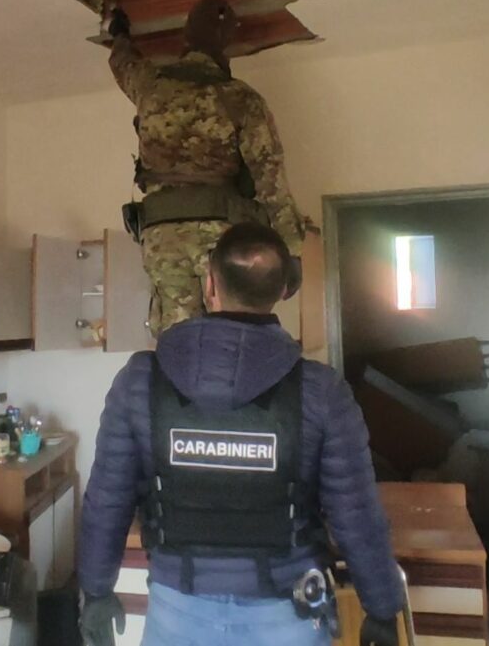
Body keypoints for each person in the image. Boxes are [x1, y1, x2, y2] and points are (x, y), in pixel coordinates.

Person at [77, 222, 404, 646]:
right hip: (288, 617)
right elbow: (355, 514)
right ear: (284, 290)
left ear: (210, 285)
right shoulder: (322, 391)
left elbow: (107, 499)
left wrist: (95, 591)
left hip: (177, 614)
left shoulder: (140, 380)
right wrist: (382, 607)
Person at [105, 0, 305, 336]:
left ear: (186, 38)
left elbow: (122, 63)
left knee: (178, 338)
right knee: (228, 335)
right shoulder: (241, 98)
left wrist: (119, 30)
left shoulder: (150, 85)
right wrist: (291, 252)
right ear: (226, 44)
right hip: (219, 237)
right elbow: (270, 178)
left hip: (162, 235)